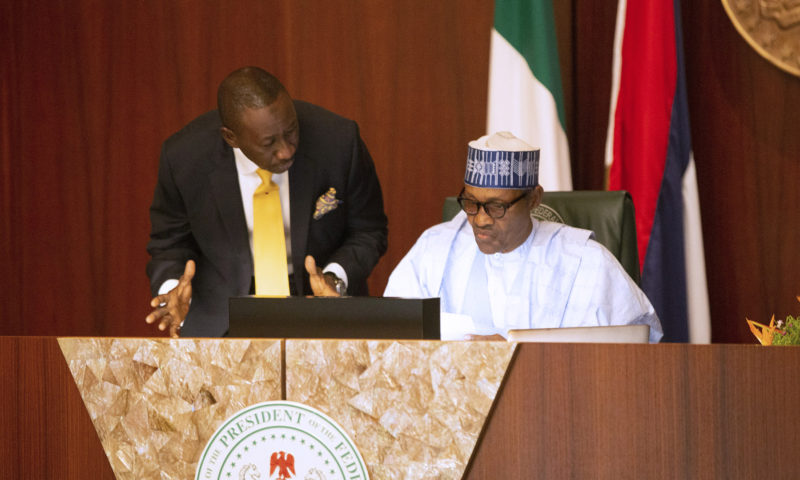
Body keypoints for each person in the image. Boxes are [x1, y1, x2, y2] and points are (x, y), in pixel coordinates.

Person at [146, 67, 387, 337]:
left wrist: (334, 278)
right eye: (269, 142)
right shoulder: (185, 158)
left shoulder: (338, 141)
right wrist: (172, 289)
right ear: (231, 138)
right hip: (221, 321)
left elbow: (369, 231)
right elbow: (169, 244)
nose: (286, 150)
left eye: (291, 131)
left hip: (321, 313)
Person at [383, 132, 663, 342]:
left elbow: (633, 346)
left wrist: (516, 358)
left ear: (534, 199)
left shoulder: (585, 262)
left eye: (497, 207)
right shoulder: (434, 249)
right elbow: (389, 336)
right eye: (470, 203)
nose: (480, 219)